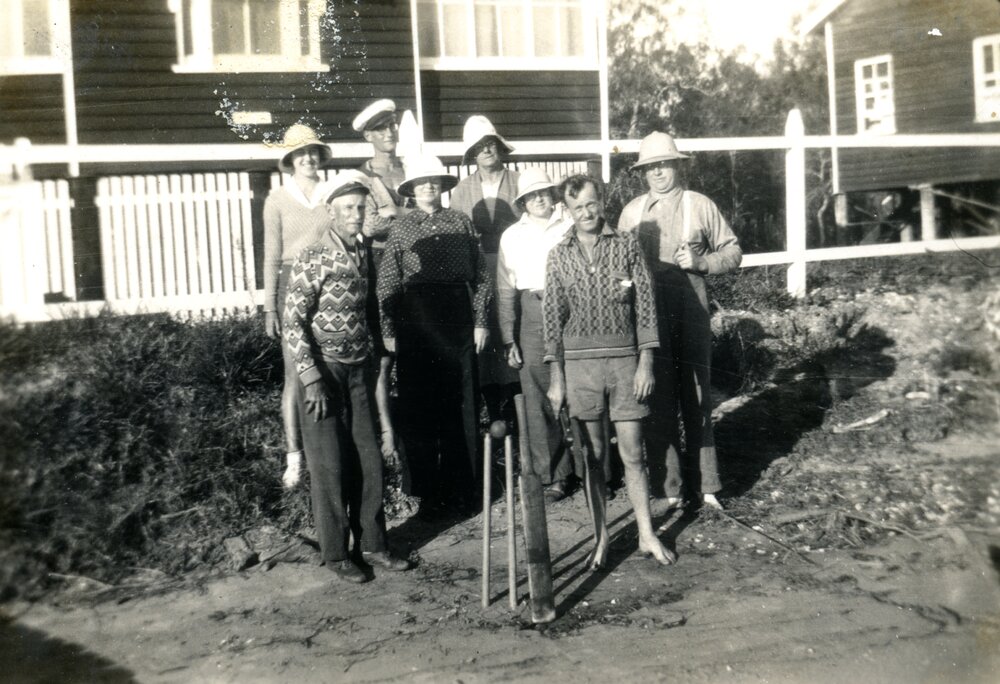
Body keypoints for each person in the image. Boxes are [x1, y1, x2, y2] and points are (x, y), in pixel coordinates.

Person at [543, 175, 676, 570]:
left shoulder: (626, 244)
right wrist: (557, 378)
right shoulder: (558, 253)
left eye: (590, 204)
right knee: (595, 456)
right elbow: (552, 319)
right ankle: (601, 538)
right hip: (581, 369)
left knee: (633, 453)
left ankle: (646, 534)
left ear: (601, 202)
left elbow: (646, 306)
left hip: (624, 365)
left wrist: (645, 361)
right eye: (576, 207)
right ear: (566, 210)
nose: (585, 213)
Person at [283, 171, 410, 582]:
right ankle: (336, 553)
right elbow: (292, 323)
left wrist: (376, 354)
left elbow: (369, 312)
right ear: (330, 212)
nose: (357, 215)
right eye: (349, 209)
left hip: (358, 370)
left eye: (361, 207)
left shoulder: (362, 253)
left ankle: (373, 545)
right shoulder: (312, 256)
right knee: (330, 466)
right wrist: (311, 378)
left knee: (369, 461)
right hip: (323, 374)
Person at [618, 132, 743, 511]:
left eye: (664, 164)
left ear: (677, 165)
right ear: (643, 171)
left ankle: (707, 485)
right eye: (651, 166)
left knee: (697, 393)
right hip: (647, 308)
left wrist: (702, 263)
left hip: (691, 305)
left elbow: (733, 251)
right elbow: (616, 263)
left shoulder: (699, 205)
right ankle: (670, 487)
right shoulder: (632, 211)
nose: (658, 172)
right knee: (658, 395)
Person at [376, 155, 492, 516]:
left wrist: (480, 321)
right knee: (420, 405)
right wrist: (390, 330)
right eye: (421, 181)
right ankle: (426, 493)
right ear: (410, 189)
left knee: (462, 402)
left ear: (442, 186)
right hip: (416, 317)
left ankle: (465, 489)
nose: (429, 186)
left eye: (434, 181)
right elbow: (388, 283)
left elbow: (482, 276)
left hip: (457, 313)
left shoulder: (461, 222)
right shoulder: (402, 228)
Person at [262, 124, 333, 489]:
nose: (308, 158)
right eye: (300, 153)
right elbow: (272, 255)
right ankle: (294, 458)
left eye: (312, 151)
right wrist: (270, 308)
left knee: (328, 366)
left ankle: (327, 448)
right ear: (290, 160)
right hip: (291, 284)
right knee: (295, 372)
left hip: (330, 284)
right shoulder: (276, 198)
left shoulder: (331, 192)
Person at [496, 168, 575, 503]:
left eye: (544, 191)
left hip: (575, 308)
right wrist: (508, 337)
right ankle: (555, 475)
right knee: (539, 393)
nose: (540, 198)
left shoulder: (571, 222)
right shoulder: (512, 236)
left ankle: (593, 469)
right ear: (522, 202)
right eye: (532, 195)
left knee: (581, 387)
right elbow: (504, 290)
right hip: (533, 311)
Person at [450, 115, 522, 423]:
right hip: (476, 273)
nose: (487, 150)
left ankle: (518, 405)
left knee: (513, 329)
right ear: (472, 155)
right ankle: (494, 409)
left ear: (500, 147)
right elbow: (456, 238)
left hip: (514, 268)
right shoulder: (462, 191)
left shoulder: (519, 182)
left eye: (490, 143)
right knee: (485, 334)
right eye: (479, 147)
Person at [352, 99, 412, 466]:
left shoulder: (410, 168)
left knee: (416, 353)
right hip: (381, 265)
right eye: (381, 129)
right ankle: (389, 433)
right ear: (368, 136)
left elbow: (427, 209)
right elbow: (370, 225)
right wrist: (408, 215)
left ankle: (415, 430)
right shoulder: (364, 177)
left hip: (416, 266)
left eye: (392, 125)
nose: (389, 133)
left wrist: (395, 213)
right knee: (385, 357)